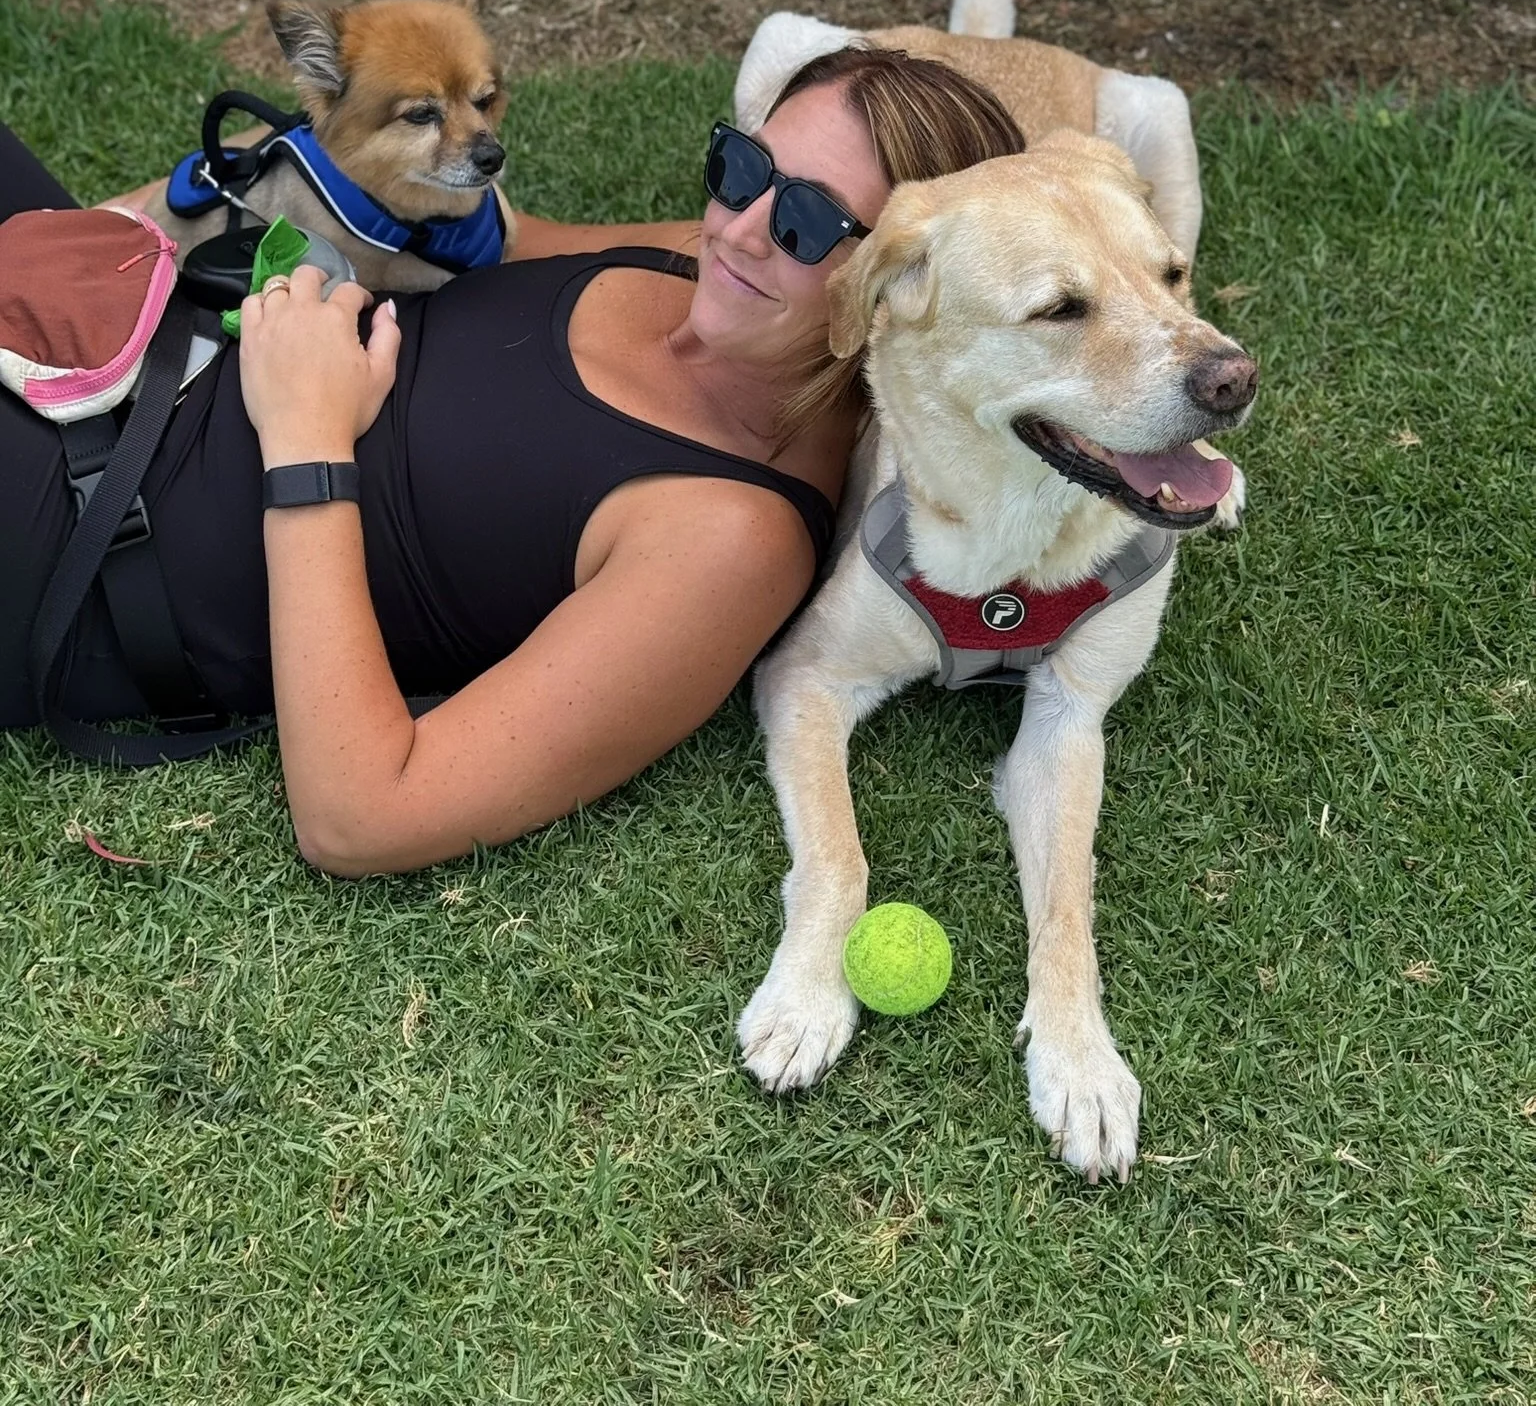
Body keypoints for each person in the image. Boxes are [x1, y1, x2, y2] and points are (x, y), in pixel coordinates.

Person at [1, 51, 1023, 876]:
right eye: (743, 170)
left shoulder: (730, 533)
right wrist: (338, 177)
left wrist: (308, 438)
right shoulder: (694, 257)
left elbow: (365, 812)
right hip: (128, 331)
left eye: (809, 222)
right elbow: (502, 242)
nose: (742, 230)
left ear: (906, 294)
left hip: (79, 529)